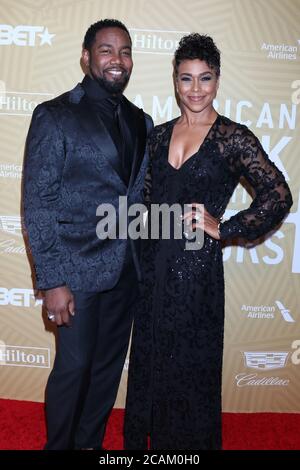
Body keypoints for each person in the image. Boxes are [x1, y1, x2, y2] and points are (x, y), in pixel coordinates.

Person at [124, 33, 293, 450]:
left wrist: (227, 227)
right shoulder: (158, 136)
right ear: (175, 81)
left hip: (197, 276)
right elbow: (144, 203)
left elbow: (279, 195)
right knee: (150, 360)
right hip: (152, 270)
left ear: (217, 80)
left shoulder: (232, 138)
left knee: (188, 368)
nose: (195, 89)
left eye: (205, 78)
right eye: (186, 79)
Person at [23, 19, 153, 450]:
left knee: (106, 373)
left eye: (125, 51)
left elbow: (140, 197)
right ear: (86, 56)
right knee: (73, 370)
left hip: (125, 275)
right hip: (74, 275)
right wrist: (53, 280)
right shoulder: (55, 115)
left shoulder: (141, 121)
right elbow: (38, 204)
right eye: (106, 50)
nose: (117, 60)